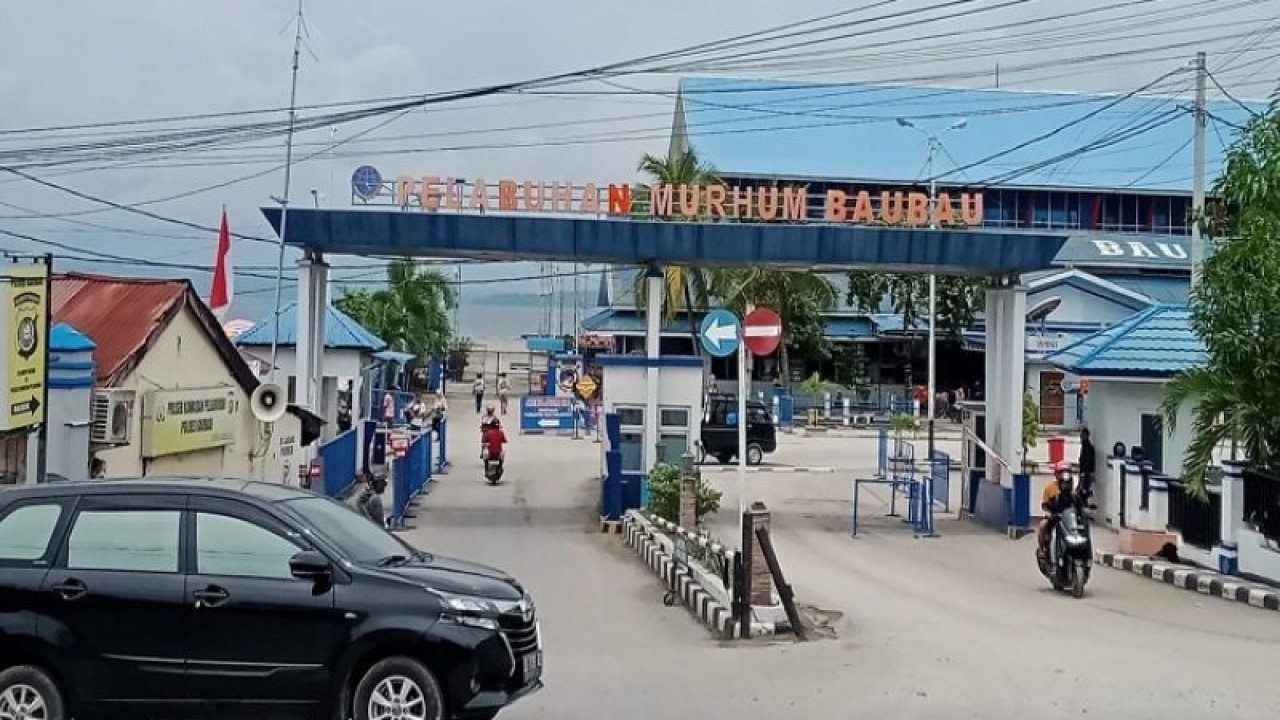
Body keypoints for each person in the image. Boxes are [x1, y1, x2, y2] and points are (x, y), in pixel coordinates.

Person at [1037, 461, 1076, 560]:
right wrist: (1049, 513)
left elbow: (1077, 503)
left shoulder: (1073, 488)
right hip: (1054, 517)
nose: (1063, 475)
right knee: (1042, 525)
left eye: (1066, 472)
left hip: (1069, 518)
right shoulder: (1049, 488)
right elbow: (1045, 505)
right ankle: (1042, 549)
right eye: (1060, 473)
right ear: (1056, 474)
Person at [1078, 427, 1097, 507]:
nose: (1081, 437)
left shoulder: (1088, 447)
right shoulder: (1085, 446)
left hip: (1086, 472)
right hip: (1085, 472)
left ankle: (1085, 503)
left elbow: (1088, 461)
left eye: (1082, 436)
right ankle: (1084, 503)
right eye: (1081, 436)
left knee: (1084, 489)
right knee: (1083, 489)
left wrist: (1084, 473)